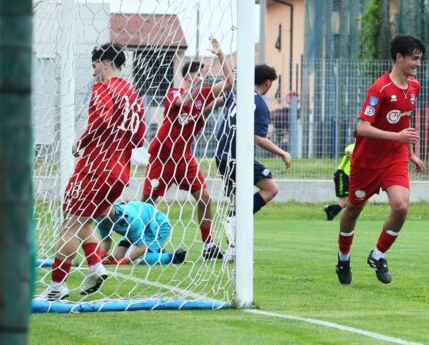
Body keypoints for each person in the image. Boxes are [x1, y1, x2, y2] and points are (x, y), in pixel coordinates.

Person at [43, 43, 146, 300]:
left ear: (105, 62)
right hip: (120, 172)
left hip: (96, 167)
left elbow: (102, 118)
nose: (93, 73)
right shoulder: (132, 95)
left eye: (94, 66)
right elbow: (139, 138)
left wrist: (82, 141)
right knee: (85, 219)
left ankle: (57, 288)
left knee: (69, 223)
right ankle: (96, 267)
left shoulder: (104, 87)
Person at [335, 35, 425, 285]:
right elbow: (362, 128)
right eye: (414, 59)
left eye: (419, 59)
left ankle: (378, 255)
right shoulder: (379, 89)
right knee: (352, 210)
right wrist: (397, 136)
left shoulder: (414, 87)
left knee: (401, 206)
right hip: (367, 162)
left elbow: (404, 123)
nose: (418, 64)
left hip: (394, 158)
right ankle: (343, 258)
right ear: (399, 57)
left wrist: (410, 153)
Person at [142, 38, 233, 260]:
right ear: (190, 76)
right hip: (162, 156)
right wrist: (198, 93)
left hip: (184, 157)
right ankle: (144, 243)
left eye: (204, 73)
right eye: (199, 73)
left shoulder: (203, 94)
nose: (203, 76)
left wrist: (221, 54)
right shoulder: (174, 93)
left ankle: (209, 245)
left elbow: (230, 83)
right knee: (147, 202)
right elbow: (182, 104)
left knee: (204, 197)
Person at [214, 64, 292, 258]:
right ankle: (234, 220)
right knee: (270, 188)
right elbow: (258, 138)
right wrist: (283, 153)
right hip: (237, 155)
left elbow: (218, 99)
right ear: (268, 83)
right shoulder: (260, 105)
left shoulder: (237, 95)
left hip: (221, 153)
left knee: (236, 199)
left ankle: (233, 249)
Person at [97, 201, 186, 265]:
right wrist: (99, 256)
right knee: (118, 258)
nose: (101, 212)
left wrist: (125, 261)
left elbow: (142, 247)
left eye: (104, 207)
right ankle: (156, 251)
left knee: (136, 259)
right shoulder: (100, 218)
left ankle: (175, 257)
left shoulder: (130, 219)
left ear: (111, 204)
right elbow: (106, 240)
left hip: (157, 225)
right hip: (137, 229)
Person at [323, 135, 356, 221]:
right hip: (342, 174)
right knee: (344, 202)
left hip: (347, 177)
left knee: (346, 202)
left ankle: (329, 209)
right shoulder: (352, 147)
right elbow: (348, 150)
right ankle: (330, 216)